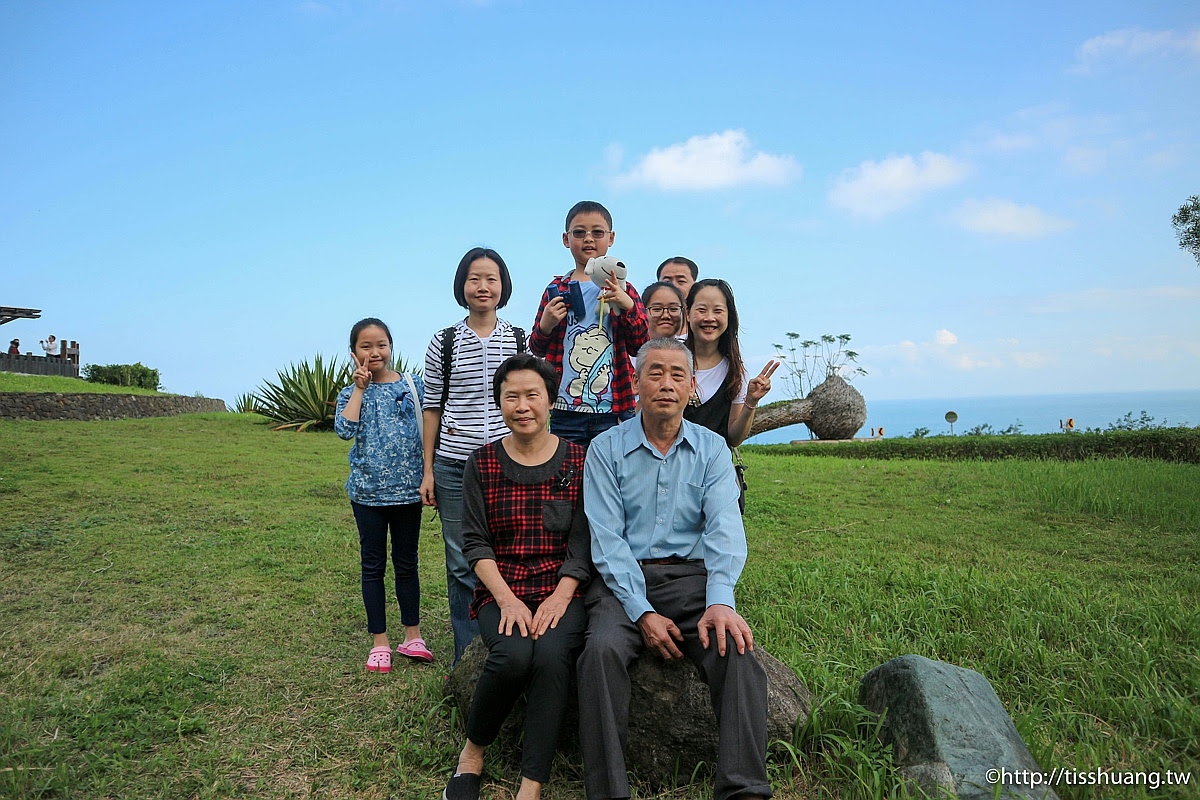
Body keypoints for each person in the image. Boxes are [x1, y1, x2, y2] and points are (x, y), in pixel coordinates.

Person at [579, 337, 772, 800]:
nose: (666, 384)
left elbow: (726, 530)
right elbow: (606, 540)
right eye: (655, 373)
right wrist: (642, 612)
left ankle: (743, 790)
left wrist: (721, 600)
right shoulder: (605, 449)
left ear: (691, 389)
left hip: (691, 579)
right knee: (600, 654)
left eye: (677, 375)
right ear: (636, 381)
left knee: (737, 652)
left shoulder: (712, 450)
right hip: (622, 581)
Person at [443, 354, 590, 800]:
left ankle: (531, 784)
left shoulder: (580, 460)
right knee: (512, 656)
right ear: (499, 403)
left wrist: (561, 597)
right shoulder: (482, 463)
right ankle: (472, 753)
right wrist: (506, 600)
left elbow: (584, 543)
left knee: (549, 656)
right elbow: (476, 544)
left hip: (562, 589)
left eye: (532, 395)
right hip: (500, 590)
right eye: (511, 397)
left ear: (550, 401)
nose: (522, 405)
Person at [421, 247, 528, 665]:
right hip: (452, 463)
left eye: (491, 279)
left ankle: (509, 644)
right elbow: (432, 406)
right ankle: (467, 659)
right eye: (474, 278)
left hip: (507, 461)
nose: (483, 286)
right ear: (461, 286)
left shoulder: (519, 339)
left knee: (506, 553)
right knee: (461, 561)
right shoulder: (444, 341)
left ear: (503, 287)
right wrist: (428, 470)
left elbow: (530, 405)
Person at [335, 317, 432, 672]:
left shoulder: (412, 385)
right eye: (366, 346)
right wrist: (359, 389)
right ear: (353, 353)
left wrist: (427, 476)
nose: (374, 352)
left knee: (407, 564)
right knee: (372, 566)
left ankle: (413, 635)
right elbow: (344, 430)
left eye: (381, 345)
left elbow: (429, 433)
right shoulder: (350, 393)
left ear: (391, 347)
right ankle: (380, 642)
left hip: (408, 493)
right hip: (367, 495)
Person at [530, 201, 648, 448]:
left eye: (597, 232)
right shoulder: (556, 290)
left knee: (612, 477)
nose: (588, 239)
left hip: (614, 408)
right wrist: (546, 324)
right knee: (568, 478)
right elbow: (537, 347)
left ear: (611, 238)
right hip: (564, 408)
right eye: (579, 232)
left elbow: (641, 345)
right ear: (566, 239)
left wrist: (627, 307)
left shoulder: (623, 289)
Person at [684, 279, 777, 449]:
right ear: (688, 313)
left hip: (714, 471)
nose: (709, 318)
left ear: (729, 316)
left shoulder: (735, 372)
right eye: (701, 310)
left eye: (718, 310)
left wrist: (751, 402)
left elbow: (734, 438)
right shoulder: (669, 358)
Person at [657, 257, 698, 337]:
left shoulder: (701, 325)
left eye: (681, 281)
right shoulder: (646, 324)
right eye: (667, 282)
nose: (674, 286)